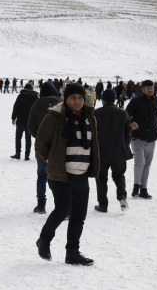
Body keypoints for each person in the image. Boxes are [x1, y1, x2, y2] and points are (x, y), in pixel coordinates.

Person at [35, 83, 99, 266]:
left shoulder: (90, 117)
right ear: (65, 98)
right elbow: (40, 144)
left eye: (80, 97)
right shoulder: (54, 117)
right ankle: (44, 240)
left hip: (82, 174)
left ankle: (72, 252)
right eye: (73, 98)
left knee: (79, 216)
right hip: (60, 175)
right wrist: (53, 160)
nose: (77, 101)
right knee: (62, 210)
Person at [125, 80, 157, 199]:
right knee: (140, 162)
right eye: (148, 88)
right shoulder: (135, 101)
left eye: (152, 87)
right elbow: (125, 115)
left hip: (151, 139)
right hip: (137, 137)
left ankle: (143, 188)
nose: (150, 89)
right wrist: (132, 122)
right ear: (143, 89)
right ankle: (136, 186)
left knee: (147, 164)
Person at [93, 89, 132, 213]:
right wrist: (124, 145)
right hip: (119, 152)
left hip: (101, 153)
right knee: (119, 176)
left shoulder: (96, 113)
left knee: (101, 179)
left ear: (103, 100)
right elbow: (128, 133)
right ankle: (122, 197)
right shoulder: (123, 113)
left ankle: (103, 205)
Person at [27, 82, 62, 214]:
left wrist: (40, 138)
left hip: (42, 149)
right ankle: (60, 204)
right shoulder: (62, 105)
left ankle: (41, 204)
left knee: (42, 176)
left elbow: (30, 127)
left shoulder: (36, 105)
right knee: (59, 177)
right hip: (59, 148)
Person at [11, 84, 39, 160]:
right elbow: (37, 110)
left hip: (20, 120)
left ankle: (18, 153)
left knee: (18, 138)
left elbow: (16, 107)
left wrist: (13, 118)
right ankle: (27, 155)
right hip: (30, 121)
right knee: (28, 138)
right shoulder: (35, 98)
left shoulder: (20, 96)